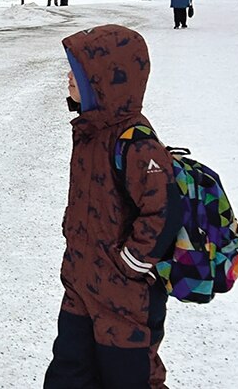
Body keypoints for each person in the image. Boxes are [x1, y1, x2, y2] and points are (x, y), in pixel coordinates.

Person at [45, 24, 179, 388]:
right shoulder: (89, 132)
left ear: (105, 80)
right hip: (81, 287)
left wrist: (131, 263)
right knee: (67, 374)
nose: (69, 77)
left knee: (130, 379)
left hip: (126, 298)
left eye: (79, 71)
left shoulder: (136, 143)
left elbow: (164, 209)